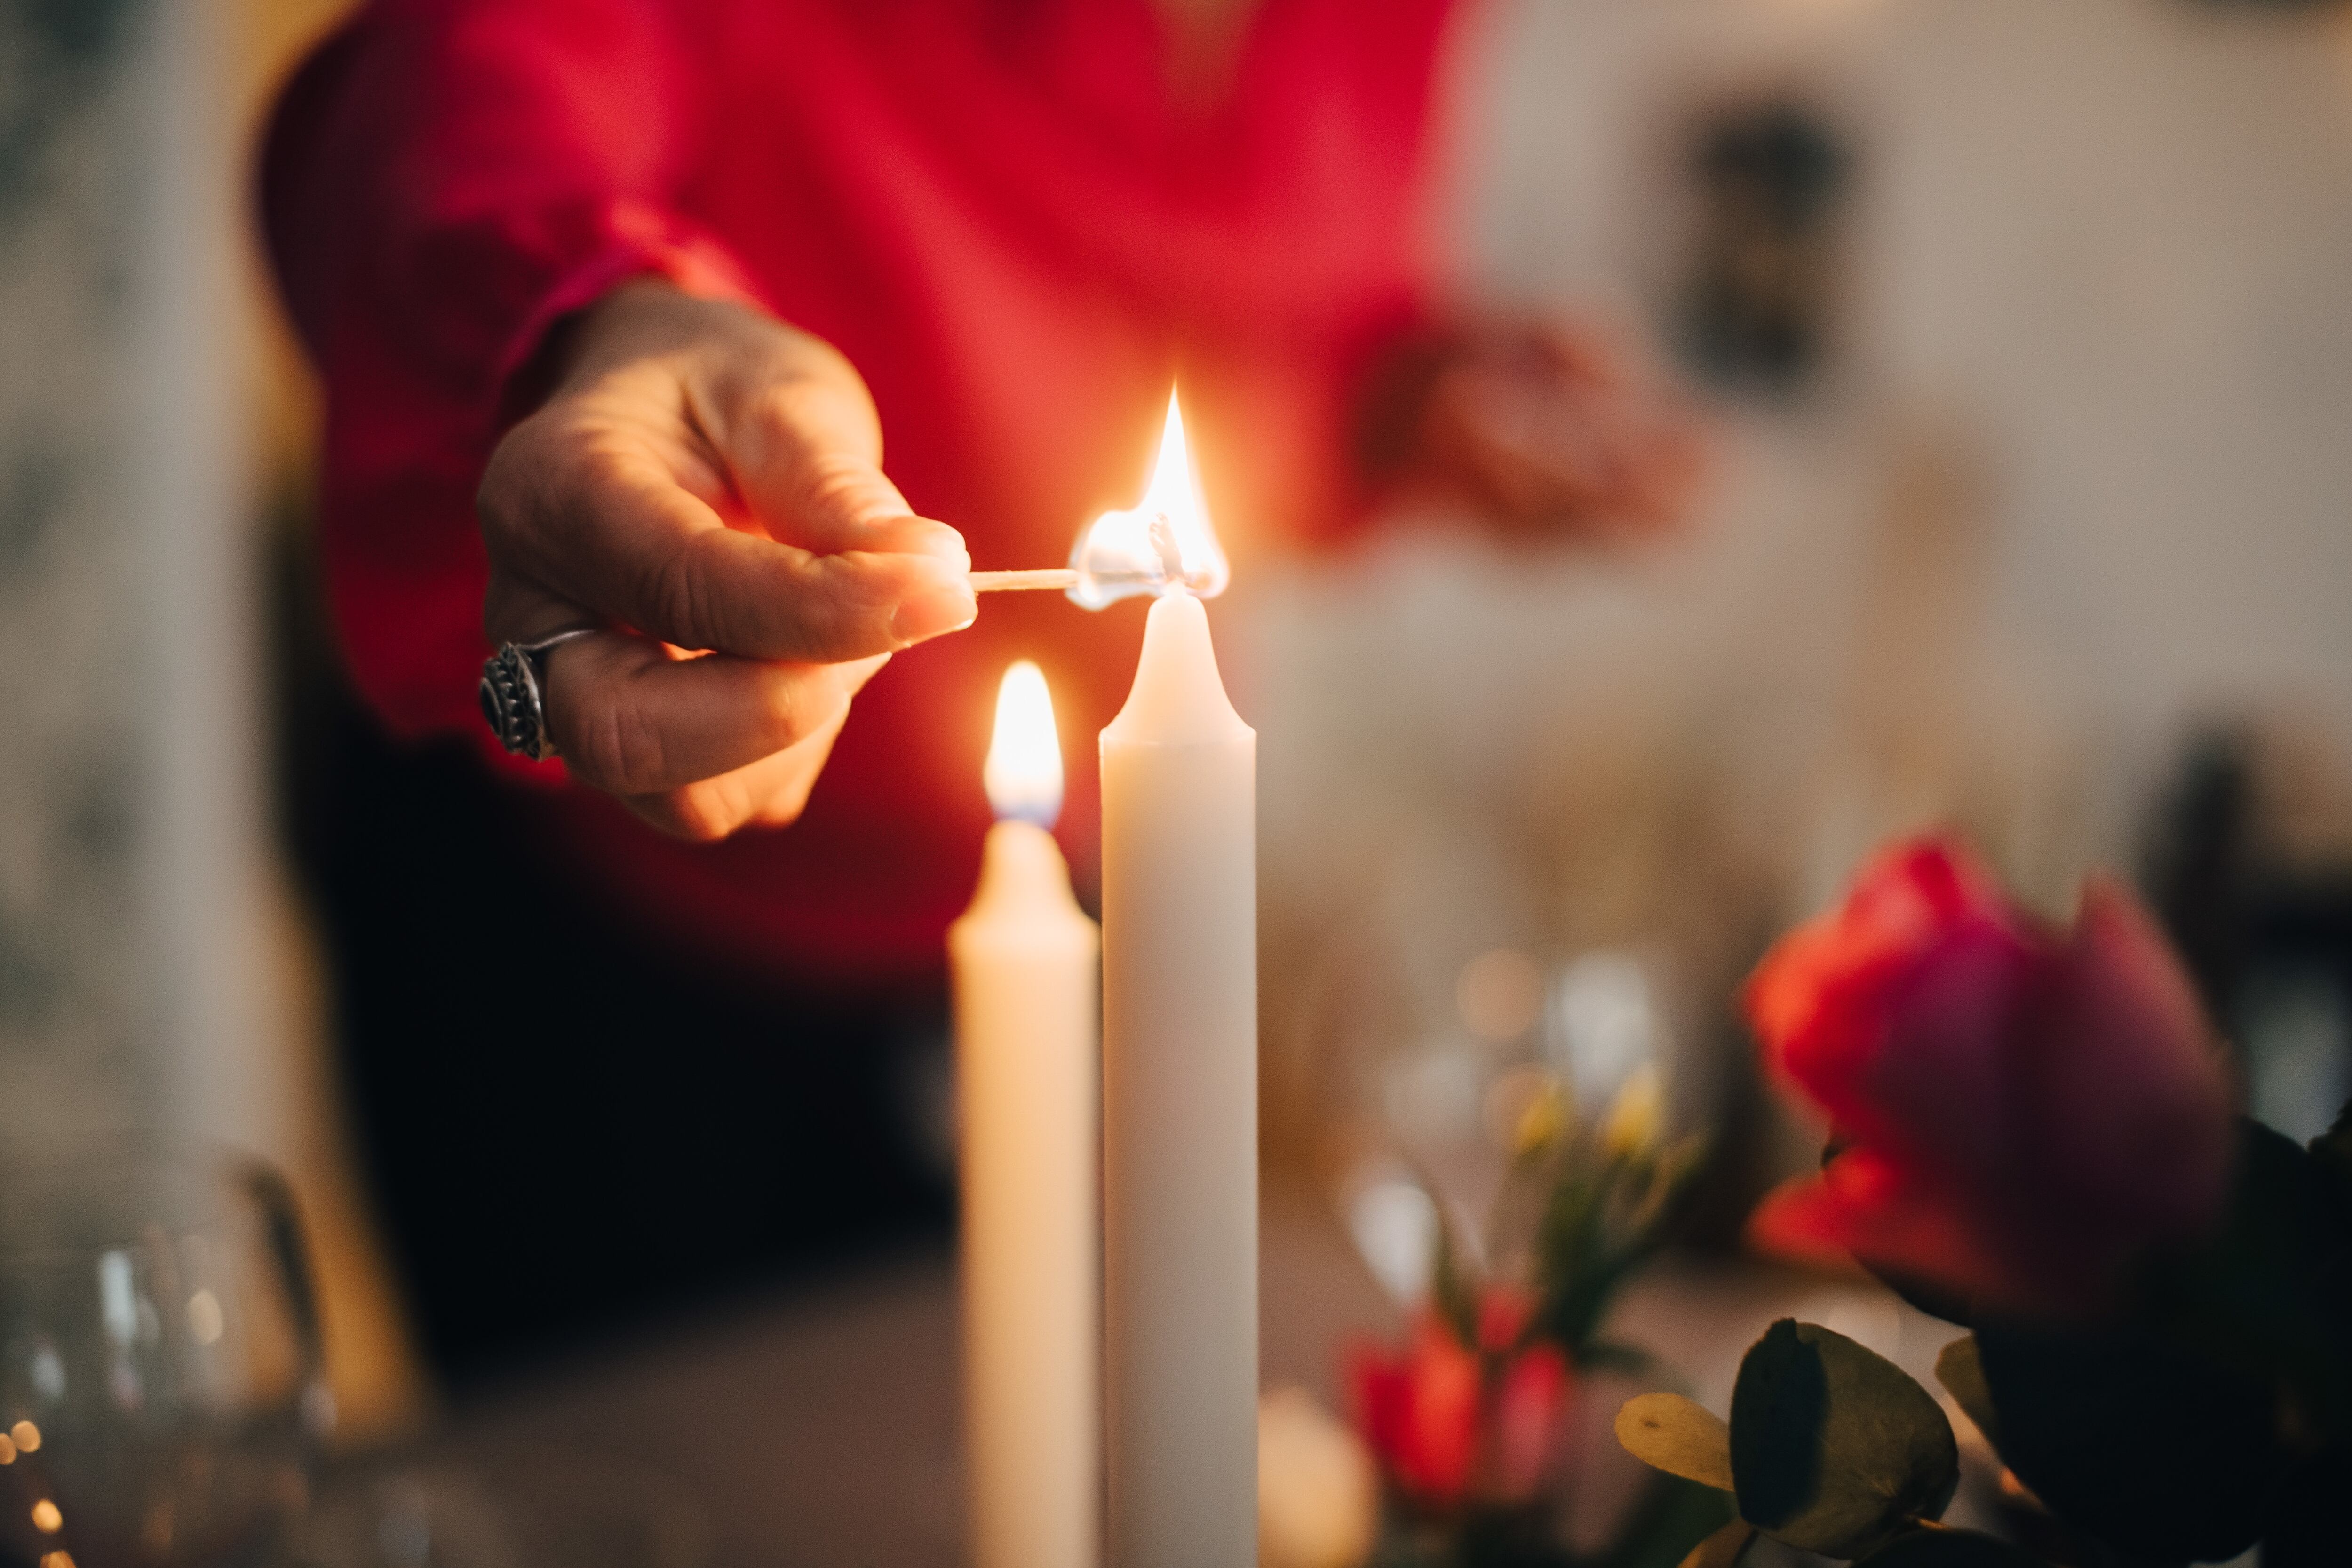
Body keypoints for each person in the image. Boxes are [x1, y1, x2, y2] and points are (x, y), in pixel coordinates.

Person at [262, 0, 1700, 1378]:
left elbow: (1239, 337)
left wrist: (1402, 403)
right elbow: (449, 88)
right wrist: (595, 318)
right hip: (586, 970)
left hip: (1039, 938)